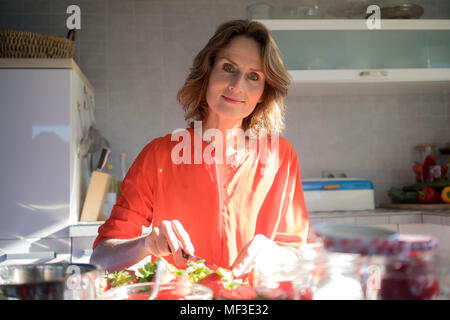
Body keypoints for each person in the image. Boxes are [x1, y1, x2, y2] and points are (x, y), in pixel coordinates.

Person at [90, 20, 309, 279]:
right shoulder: (158, 156)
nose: (238, 85)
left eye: (254, 76)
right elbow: (101, 259)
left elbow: (293, 253)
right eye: (228, 67)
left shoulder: (280, 156)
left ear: (263, 91)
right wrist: (146, 244)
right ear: (207, 73)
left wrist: (275, 255)